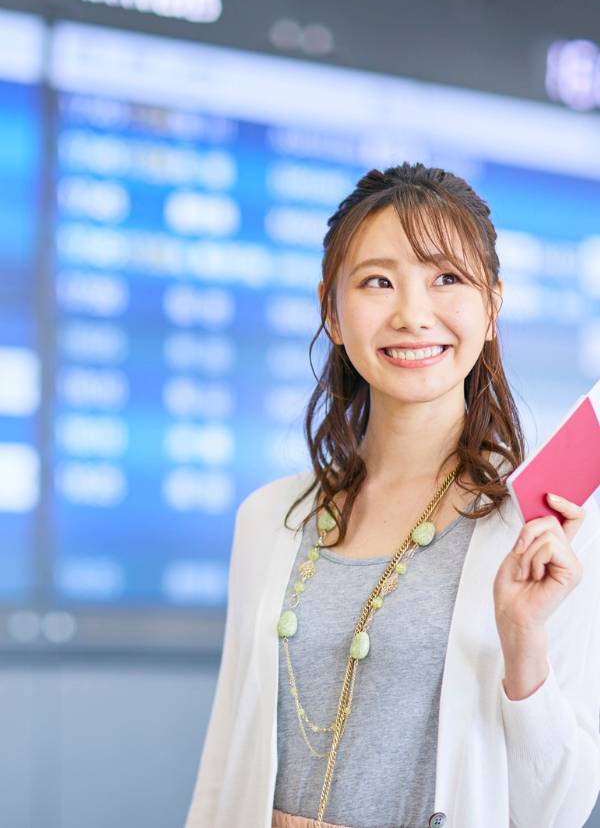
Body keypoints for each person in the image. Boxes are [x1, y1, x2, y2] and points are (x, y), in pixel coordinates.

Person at [184, 163, 600, 828]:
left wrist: (522, 635)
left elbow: (556, 808)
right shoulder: (267, 520)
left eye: (448, 279)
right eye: (378, 281)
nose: (411, 314)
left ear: (493, 305)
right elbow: (222, 771)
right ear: (332, 310)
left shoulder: (547, 525)